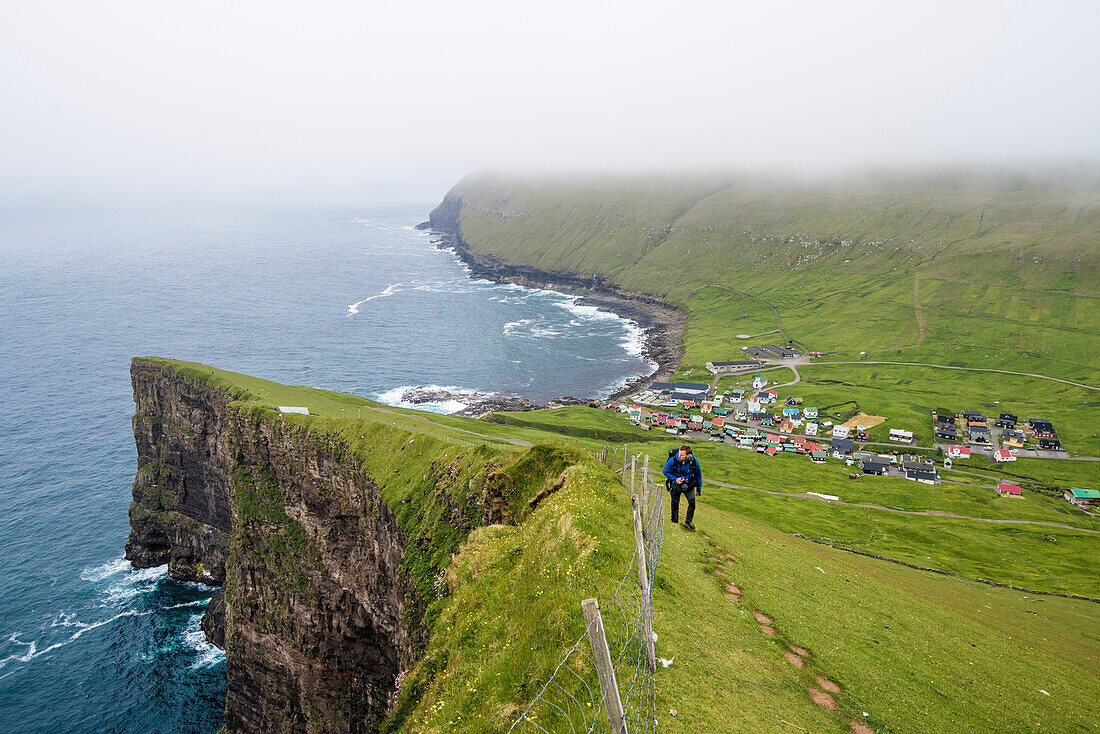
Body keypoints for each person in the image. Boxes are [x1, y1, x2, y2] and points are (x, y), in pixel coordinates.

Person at [663, 444, 701, 530]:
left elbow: (699, 475)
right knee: (675, 503)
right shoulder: (673, 460)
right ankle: (674, 521)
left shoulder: (694, 462)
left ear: (688, 455)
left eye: (682, 455)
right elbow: (665, 471)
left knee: (692, 503)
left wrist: (699, 489)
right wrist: (675, 479)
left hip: (689, 485)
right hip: (675, 484)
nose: (679, 456)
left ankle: (688, 521)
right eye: (679, 454)